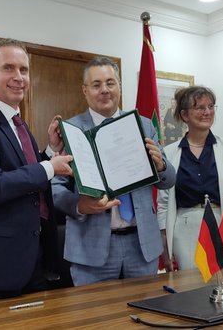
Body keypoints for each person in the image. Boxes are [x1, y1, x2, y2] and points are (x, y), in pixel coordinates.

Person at [0, 38, 73, 300]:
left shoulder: (18, 123)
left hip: (35, 258)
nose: (18, 77)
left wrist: (50, 152)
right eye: (9, 68)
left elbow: (23, 172)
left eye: (24, 70)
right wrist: (49, 167)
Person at [51, 57, 176, 286]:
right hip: (91, 249)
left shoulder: (145, 125)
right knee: (95, 319)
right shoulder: (71, 131)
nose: (104, 90)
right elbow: (55, 188)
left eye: (110, 83)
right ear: (85, 90)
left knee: (145, 317)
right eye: (96, 85)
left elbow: (169, 180)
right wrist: (79, 206)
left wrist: (161, 166)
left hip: (141, 246)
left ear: (119, 86)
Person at [157, 86, 223, 271]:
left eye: (211, 106)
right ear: (184, 115)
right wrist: (165, 246)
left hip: (221, 224)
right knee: (190, 289)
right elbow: (164, 203)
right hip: (184, 228)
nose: (207, 112)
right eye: (200, 107)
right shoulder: (169, 153)